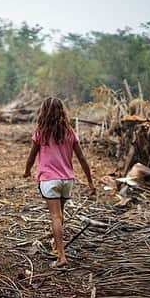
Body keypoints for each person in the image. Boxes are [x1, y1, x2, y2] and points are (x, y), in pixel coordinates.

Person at [24, 97, 95, 268]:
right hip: (67, 180)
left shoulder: (41, 133)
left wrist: (27, 171)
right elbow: (82, 159)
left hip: (49, 180)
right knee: (60, 215)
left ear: (44, 112)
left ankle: (61, 256)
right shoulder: (70, 132)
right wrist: (90, 182)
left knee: (55, 217)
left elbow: (32, 156)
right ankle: (57, 245)